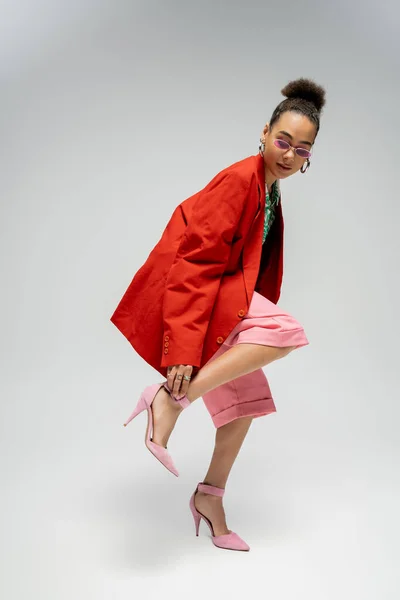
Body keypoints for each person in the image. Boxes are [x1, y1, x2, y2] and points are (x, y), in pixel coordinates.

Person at [110, 76, 326, 551]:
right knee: (286, 331)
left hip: (224, 301)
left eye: (302, 149)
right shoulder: (239, 180)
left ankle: (210, 497)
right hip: (200, 299)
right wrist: (183, 350)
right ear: (265, 132)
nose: (289, 155)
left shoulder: (269, 190)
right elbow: (194, 264)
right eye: (283, 141)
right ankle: (169, 401)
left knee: (243, 407)